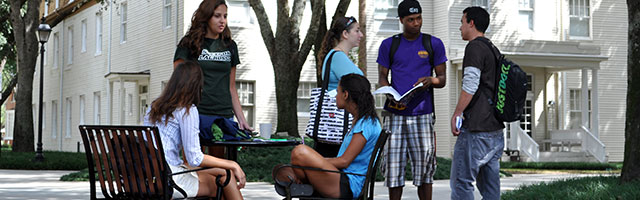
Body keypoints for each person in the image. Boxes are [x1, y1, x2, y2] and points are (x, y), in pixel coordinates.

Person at [376, 0, 447, 199]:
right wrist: (386, 89)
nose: (416, 23)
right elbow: (382, 76)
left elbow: (442, 79)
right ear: (401, 20)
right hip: (395, 114)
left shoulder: (433, 44)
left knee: (425, 170)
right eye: (411, 20)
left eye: (419, 18)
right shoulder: (389, 44)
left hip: (423, 115)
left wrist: (431, 80)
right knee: (393, 168)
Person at [144, 61, 245, 199]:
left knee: (224, 172)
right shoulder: (187, 110)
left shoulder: (154, 107)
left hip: (151, 173)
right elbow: (194, 158)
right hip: (169, 178)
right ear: (196, 86)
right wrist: (232, 164)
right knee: (224, 178)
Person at [274, 74, 381, 198]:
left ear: (345, 95)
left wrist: (312, 162)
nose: (335, 96)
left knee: (300, 152)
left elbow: (344, 161)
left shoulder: (366, 123)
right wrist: (312, 163)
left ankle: (303, 184)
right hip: (339, 178)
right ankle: (303, 184)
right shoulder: (361, 121)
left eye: (337, 92)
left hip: (348, 184)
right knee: (280, 170)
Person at [173, 0, 253, 157]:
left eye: (225, 16)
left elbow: (231, 87)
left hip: (222, 114)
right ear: (206, 17)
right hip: (195, 113)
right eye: (217, 16)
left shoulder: (230, 46)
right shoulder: (188, 44)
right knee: (194, 164)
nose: (222, 20)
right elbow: (177, 83)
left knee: (219, 166)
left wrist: (241, 119)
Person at [450, 7, 505, 200]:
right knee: (491, 190)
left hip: (476, 130)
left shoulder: (474, 47)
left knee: (461, 182)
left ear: (471, 23)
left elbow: (471, 84)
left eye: (462, 22)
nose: (460, 27)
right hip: (495, 131)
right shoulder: (493, 49)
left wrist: (457, 112)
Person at [314, 16, 365, 157]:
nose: (361, 35)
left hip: (332, 128)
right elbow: (358, 86)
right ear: (345, 34)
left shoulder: (335, 56)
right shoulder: (338, 57)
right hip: (337, 127)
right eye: (357, 31)